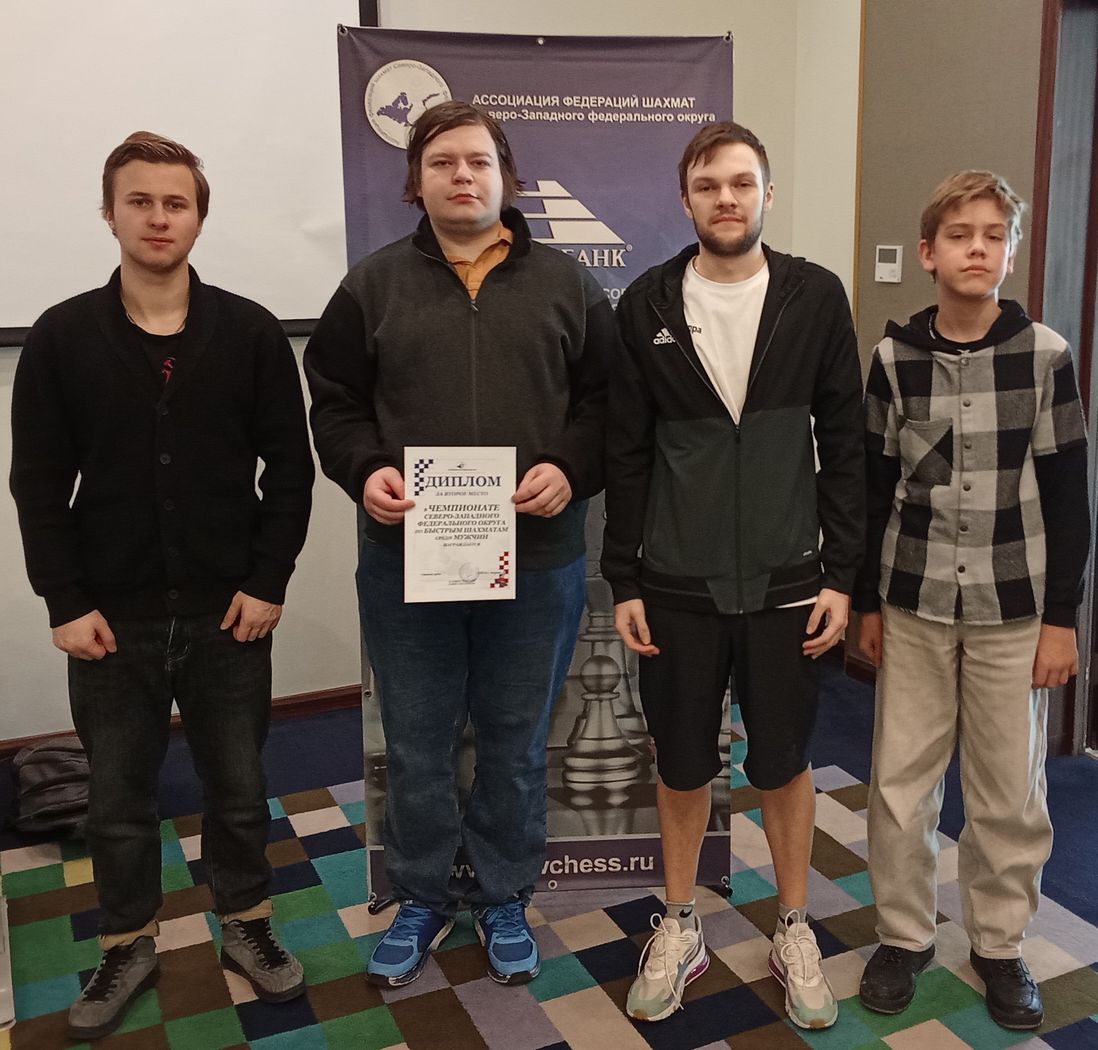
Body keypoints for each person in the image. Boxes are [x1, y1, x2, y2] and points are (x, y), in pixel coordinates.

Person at [10, 131, 314, 1040]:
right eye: (138, 201)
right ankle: (127, 941)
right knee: (118, 801)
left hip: (231, 616)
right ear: (110, 213)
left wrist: (269, 580)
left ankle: (247, 923)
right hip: (110, 620)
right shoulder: (62, 336)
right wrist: (64, 600)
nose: (157, 217)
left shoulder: (251, 332)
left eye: (175, 202)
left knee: (238, 789)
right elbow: (37, 484)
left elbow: (290, 473)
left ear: (198, 218)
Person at [304, 100, 611, 987]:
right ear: (416, 182)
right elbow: (334, 404)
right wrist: (365, 470)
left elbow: (608, 405)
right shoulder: (370, 287)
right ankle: (424, 893)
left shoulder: (569, 285)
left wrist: (570, 467)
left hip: (539, 558)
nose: (462, 176)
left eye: (478, 161)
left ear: (506, 177)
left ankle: (506, 892)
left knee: (515, 741)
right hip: (408, 559)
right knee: (417, 741)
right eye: (442, 163)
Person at [601, 121, 864, 1029]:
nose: (726, 198)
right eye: (708, 184)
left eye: (742, 183)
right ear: (685, 198)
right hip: (677, 581)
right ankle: (680, 924)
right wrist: (624, 578)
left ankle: (793, 925)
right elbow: (627, 451)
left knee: (784, 760)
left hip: (791, 580)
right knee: (681, 761)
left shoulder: (814, 296)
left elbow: (846, 441)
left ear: (766, 194)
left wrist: (841, 573)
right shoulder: (645, 303)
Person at [854, 171, 1089, 1031]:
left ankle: (998, 942)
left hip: (1013, 610)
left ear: (1010, 254)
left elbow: (1068, 498)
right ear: (929, 252)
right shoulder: (892, 361)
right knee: (900, 781)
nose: (977, 249)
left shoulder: (1045, 357)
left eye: (994, 235)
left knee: (1008, 790)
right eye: (960, 235)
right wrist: (865, 605)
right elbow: (871, 488)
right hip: (912, 602)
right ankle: (904, 934)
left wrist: (1062, 619)